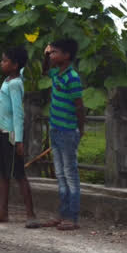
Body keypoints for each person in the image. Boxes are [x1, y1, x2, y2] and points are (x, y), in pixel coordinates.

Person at [0, 46, 39, 227]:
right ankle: (2, 212)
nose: (2, 63)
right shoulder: (7, 80)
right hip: (2, 133)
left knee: (19, 175)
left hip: (11, 135)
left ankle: (31, 214)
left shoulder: (15, 84)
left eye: (5, 60)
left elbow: (18, 113)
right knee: (4, 174)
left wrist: (19, 140)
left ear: (14, 65)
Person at [42, 38, 85, 231]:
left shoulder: (72, 77)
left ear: (66, 55)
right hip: (56, 129)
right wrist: (45, 55)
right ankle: (63, 213)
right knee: (60, 174)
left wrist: (80, 129)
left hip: (67, 131)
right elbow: (44, 71)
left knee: (70, 174)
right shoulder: (56, 74)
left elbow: (79, 106)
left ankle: (72, 217)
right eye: (51, 53)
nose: (51, 55)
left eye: (55, 52)